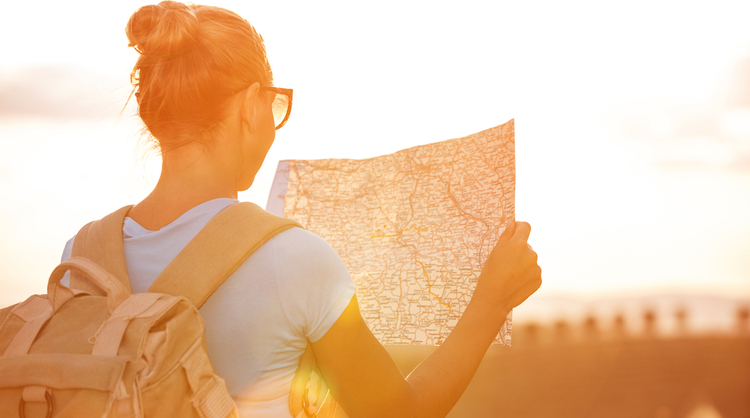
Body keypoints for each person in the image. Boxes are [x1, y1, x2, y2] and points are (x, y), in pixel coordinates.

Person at [62, 2, 542, 417]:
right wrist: (491, 302)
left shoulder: (81, 258)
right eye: (274, 107)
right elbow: (401, 413)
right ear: (253, 105)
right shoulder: (294, 260)